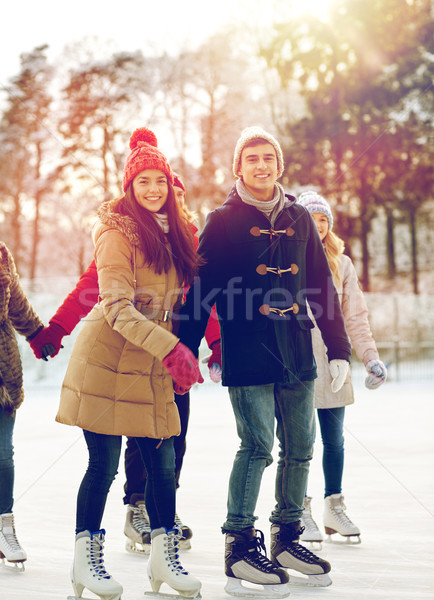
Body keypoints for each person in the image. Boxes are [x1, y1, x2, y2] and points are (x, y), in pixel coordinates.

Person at [177, 126, 352, 597]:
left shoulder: (298, 216)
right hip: (249, 348)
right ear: (239, 167)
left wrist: (338, 348)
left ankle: (288, 538)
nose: (261, 165)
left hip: (296, 347)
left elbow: (321, 284)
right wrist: (183, 349)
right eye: (251, 158)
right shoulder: (222, 220)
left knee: (300, 446)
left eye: (268, 157)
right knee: (256, 445)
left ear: (279, 164)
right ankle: (238, 546)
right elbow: (201, 292)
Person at [30, 173, 222, 555]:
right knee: (137, 438)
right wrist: (58, 327)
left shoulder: (187, 240)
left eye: (174, 193)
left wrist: (214, 343)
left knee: (173, 439)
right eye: (166, 191)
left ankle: (163, 509)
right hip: (137, 349)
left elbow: (206, 297)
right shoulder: (128, 237)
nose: (169, 198)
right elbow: (93, 287)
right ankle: (137, 507)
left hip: (178, 352)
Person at [54, 127, 203, 600]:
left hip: (150, 359)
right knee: (104, 464)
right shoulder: (115, 233)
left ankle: (163, 560)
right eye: (144, 183)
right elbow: (117, 307)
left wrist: (191, 346)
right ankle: (85, 562)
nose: (154, 190)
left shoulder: (178, 232)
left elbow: (190, 298)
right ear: (130, 188)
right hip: (107, 360)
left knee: (161, 461)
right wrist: (173, 349)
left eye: (160, 180)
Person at [297, 191, 387, 546]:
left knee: (334, 442)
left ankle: (333, 507)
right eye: (311, 219)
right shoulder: (288, 260)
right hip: (299, 364)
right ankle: (298, 511)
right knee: (300, 443)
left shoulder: (342, 264)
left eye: (324, 220)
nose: (318, 226)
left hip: (334, 363)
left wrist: (370, 357)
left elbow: (356, 317)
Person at [0, 242, 45, 571]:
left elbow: (17, 307)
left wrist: (42, 336)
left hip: (2, 372)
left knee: (3, 454)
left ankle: (5, 529)